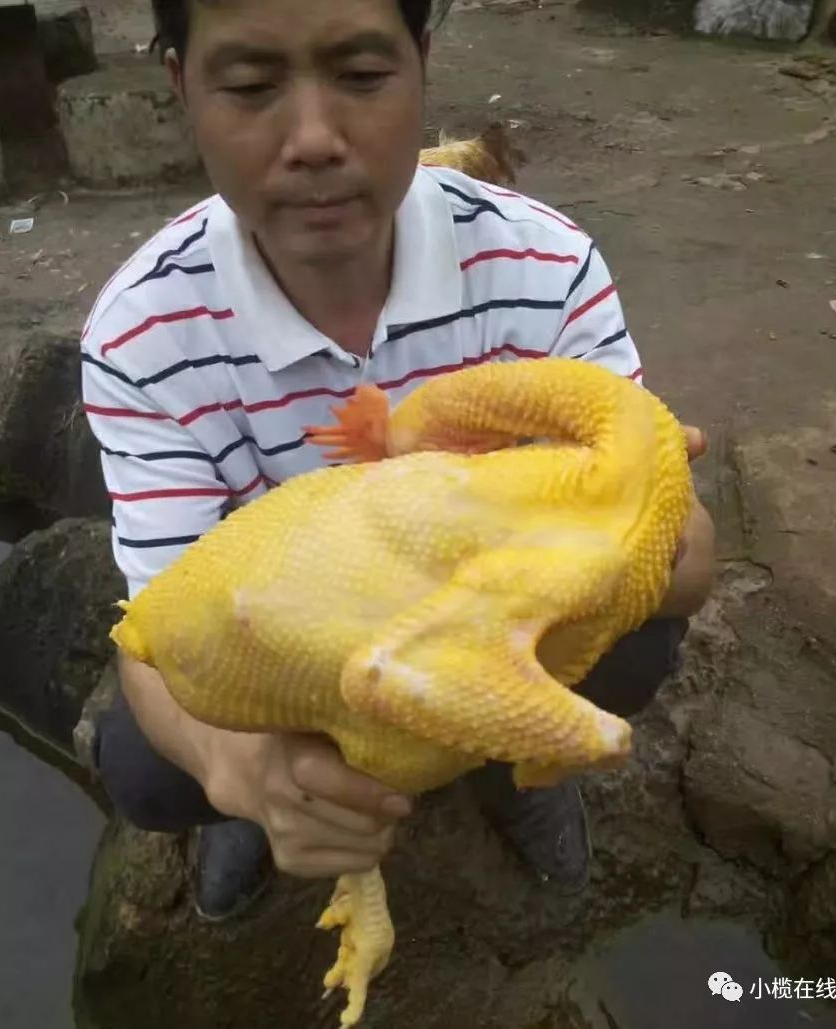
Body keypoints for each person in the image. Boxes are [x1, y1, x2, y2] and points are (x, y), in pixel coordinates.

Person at [80, 0, 715, 923]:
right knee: (146, 764)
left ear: (421, 62)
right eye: (252, 86)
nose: (313, 139)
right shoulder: (143, 331)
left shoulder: (544, 267)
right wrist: (243, 770)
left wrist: (650, 505)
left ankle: (515, 768)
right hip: (292, 654)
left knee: (640, 634)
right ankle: (259, 812)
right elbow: (159, 616)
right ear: (180, 83)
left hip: (491, 627)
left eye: (363, 77)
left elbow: (687, 555)